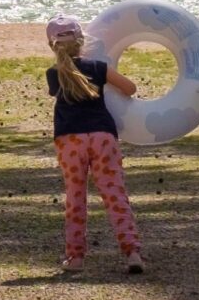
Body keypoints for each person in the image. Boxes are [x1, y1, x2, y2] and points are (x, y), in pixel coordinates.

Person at [43, 14, 144, 274]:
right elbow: (130, 88)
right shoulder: (98, 68)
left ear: (52, 45)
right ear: (81, 41)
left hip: (69, 139)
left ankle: (75, 258)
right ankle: (132, 253)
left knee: (75, 197)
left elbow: (64, 87)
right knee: (115, 194)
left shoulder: (53, 74)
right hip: (102, 136)